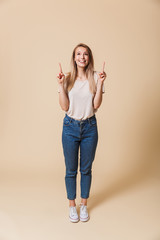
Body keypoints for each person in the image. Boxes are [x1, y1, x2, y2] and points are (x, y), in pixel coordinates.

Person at [57, 43, 107, 223]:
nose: (82, 57)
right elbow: (64, 106)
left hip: (89, 128)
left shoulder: (95, 77)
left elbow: (96, 105)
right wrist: (61, 85)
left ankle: (84, 205)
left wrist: (101, 83)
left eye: (85, 54)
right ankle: (72, 206)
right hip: (70, 127)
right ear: (74, 57)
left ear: (89, 58)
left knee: (86, 169)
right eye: (79, 54)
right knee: (71, 170)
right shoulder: (67, 78)